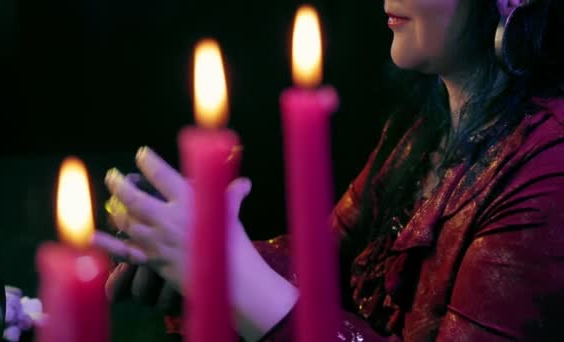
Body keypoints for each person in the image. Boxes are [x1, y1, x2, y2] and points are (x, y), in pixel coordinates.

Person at [92, 0, 564, 340]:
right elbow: (322, 268)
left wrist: (233, 274)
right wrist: (188, 254)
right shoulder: (427, 125)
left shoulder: (549, 172)